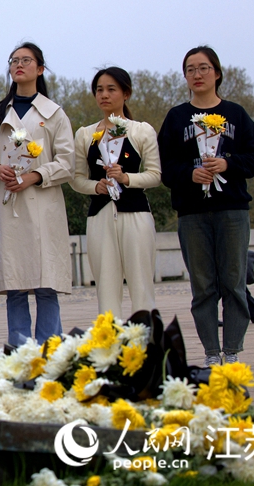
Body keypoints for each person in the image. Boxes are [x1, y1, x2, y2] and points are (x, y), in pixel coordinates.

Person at [158, 46, 254, 367]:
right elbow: (165, 167)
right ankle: (211, 353)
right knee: (202, 286)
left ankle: (232, 350)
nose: (197, 74)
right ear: (185, 76)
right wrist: (190, 173)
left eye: (203, 68)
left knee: (233, 281)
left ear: (216, 72)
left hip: (232, 210)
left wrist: (226, 164)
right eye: (190, 69)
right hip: (192, 213)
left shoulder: (236, 114)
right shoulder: (177, 118)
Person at [0, 43, 74, 346]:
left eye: (26, 60)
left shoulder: (54, 114)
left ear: (39, 69)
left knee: (46, 284)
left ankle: (50, 351)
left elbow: (67, 162)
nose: (19, 65)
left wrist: (34, 176)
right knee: (14, 286)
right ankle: (19, 352)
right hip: (6, 206)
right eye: (14, 60)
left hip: (42, 205)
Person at [70, 67, 161, 318]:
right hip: (99, 217)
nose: (104, 95)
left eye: (111, 89)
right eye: (99, 90)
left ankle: (146, 345)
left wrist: (126, 178)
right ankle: (110, 347)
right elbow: (76, 179)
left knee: (141, 286)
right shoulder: (85, 134)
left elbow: (155, 175)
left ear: (126, 93)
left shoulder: (142, 130)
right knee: (106, 290)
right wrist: (95, 186)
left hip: (136, 216)